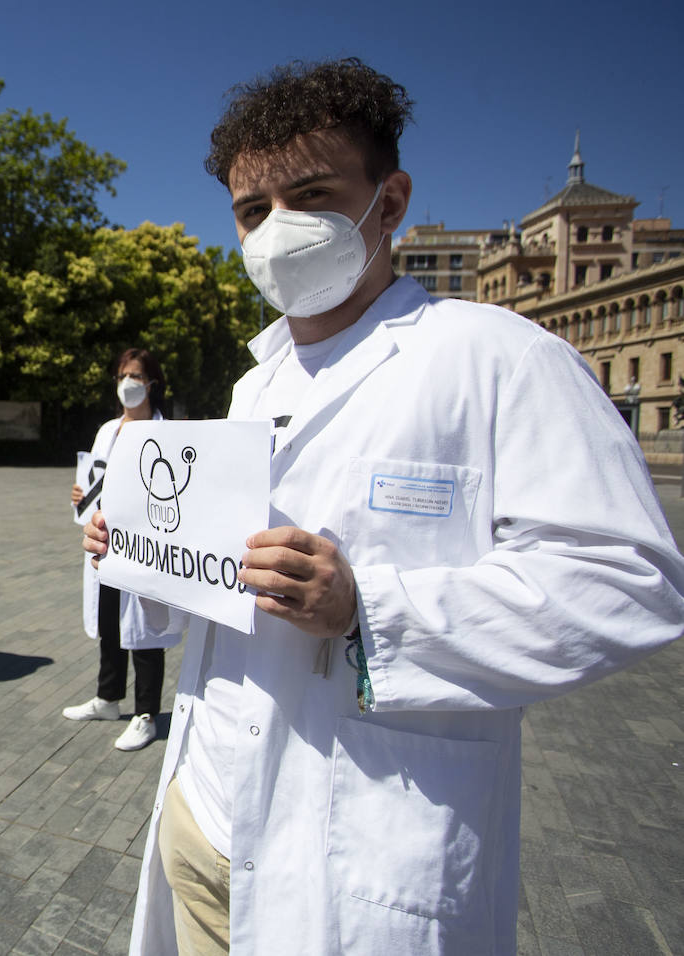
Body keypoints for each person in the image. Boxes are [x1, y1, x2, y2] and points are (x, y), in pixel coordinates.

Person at [79, 59, 684, 955]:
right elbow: (215, 595)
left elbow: (630, 583)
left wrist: (371, 609)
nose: (278, 230)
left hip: (360, 847)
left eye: (312, 195)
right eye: (253, 212)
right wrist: (137, 550)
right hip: (202, 821)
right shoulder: (252, 387)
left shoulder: (497, 359)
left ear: (389, 202)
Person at [63, 349, 176, 752]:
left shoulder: (167, 433)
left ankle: (146, 714)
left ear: (152, 383)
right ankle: (108, 699)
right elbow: (93, 482)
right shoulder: (108, 430)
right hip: (107, 545)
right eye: (122, 375)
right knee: (110, 622)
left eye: (136, 375)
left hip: (146, 546)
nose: (128, 383)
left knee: (145, 629)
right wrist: (80, 494)